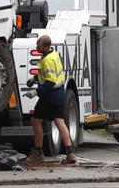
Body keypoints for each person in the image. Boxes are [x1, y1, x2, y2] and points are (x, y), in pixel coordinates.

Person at [26, 35, 76, 164]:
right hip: (60, 95)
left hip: (49, 96)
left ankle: (38, 152)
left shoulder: (47, 60)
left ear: (45, 46)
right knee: (60, 122)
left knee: (36, 121)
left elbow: (50, 80)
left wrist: (36, 91)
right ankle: (70, 153)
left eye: (39, 45)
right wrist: (34, 79)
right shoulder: (54, 55)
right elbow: (49, 74)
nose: (37, 47)